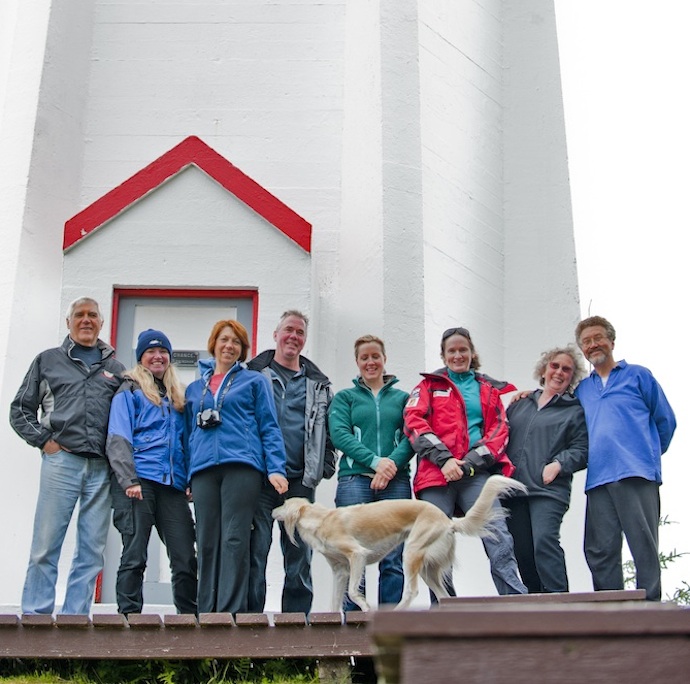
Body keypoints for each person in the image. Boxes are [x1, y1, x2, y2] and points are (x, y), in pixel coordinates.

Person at [9, 297, 125, 615]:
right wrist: (45, 442)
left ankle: (75, 619)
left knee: (92, 550)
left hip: (101, 469)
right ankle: (36, 616)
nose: (86, 320)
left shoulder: (116, 370)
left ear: (101, 322)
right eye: (79, 315)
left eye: (92, 315)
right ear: (68, 322)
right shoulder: (47, 361)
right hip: (62, 462)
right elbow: (20, 410)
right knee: (46, 544)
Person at [404, 326, 527, 597]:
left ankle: (515, 600)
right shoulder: (427, 387)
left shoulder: (488, 390)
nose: (458, 355)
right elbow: (414, 423)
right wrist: (445, 460)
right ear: (443, 355)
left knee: (497, 533)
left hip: (475, 474)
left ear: (472, 353)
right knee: (436, 542)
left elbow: (499, 432)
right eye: (452, 351)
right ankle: (444, 605)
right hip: (435, 475)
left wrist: (468, 464)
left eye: (463, 350)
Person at [185, 319, 288, 614]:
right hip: (203, 470)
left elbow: (269, 426)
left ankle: (229, 613)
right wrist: (187, 475)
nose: (229, 346)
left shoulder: (254, 381)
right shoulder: (194, 389)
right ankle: (207, 612)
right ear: (214, 344)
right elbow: (187, 434)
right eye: (224, 340)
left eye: (236, 342)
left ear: (242, 349)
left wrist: (276, 467)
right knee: (206, 540)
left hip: (242, 466)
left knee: (234, 538)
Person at [575, 315, 676, 601]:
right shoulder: (583, 389)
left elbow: (665, 421)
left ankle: (650, 607)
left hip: (636, 473)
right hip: (598, 479)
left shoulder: (638, 376)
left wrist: (646, 455)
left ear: (611, 341)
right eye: (586, 341)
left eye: (598, 338)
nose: (593, 345)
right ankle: (611, 611)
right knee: (600, 549)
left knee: (643, 543)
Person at [247, 310, 336, 615]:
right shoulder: (254, 376)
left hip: (300, 481)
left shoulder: (318, 385)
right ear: (276, 335)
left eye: (300, 332)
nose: (293, 337)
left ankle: (296, 624)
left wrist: (325, 465)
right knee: (255, 552)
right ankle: (251, 623)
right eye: (288, 330)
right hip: (260, 480)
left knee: (299, 558)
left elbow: (328, 430)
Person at [106, 329, 197, 615]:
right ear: (141, 358)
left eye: (163, 352)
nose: (157, 357)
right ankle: (129, 618)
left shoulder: (178, 396)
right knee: (134, 555)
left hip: (172, 486)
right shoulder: (129, 390)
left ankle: (190, 618)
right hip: (139, 482)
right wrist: (129, 479)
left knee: (185, 556)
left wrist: (189, 479)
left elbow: (187, 442)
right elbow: (118, 437)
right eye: (150, 352)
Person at [328, 334, 414, 610]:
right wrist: (376, 462)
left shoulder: (403, 398)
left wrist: (390, 467)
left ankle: (390, 621)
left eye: (375, 356)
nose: (370, 362)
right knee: (353, 554)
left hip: (396, 483)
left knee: (393, 556)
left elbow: (412, 436)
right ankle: (354, 620)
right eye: (364, 357)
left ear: (384, 359)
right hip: (354, 482)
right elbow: (340, 435)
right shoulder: (345, 398)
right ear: (357, 362)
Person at [504, 345, 588, 593]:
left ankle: (559, 601)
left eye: (566, 369)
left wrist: (559, 464)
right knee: (522, 550)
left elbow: (582, 448)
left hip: (548, 490)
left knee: (544, 542)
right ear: (544, 370)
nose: (559, 372)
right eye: (554, 366)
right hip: (514, 490)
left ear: (572, 377)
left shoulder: (574, 410)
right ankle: (535, 601)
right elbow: (500, 437)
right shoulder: (520, 404)